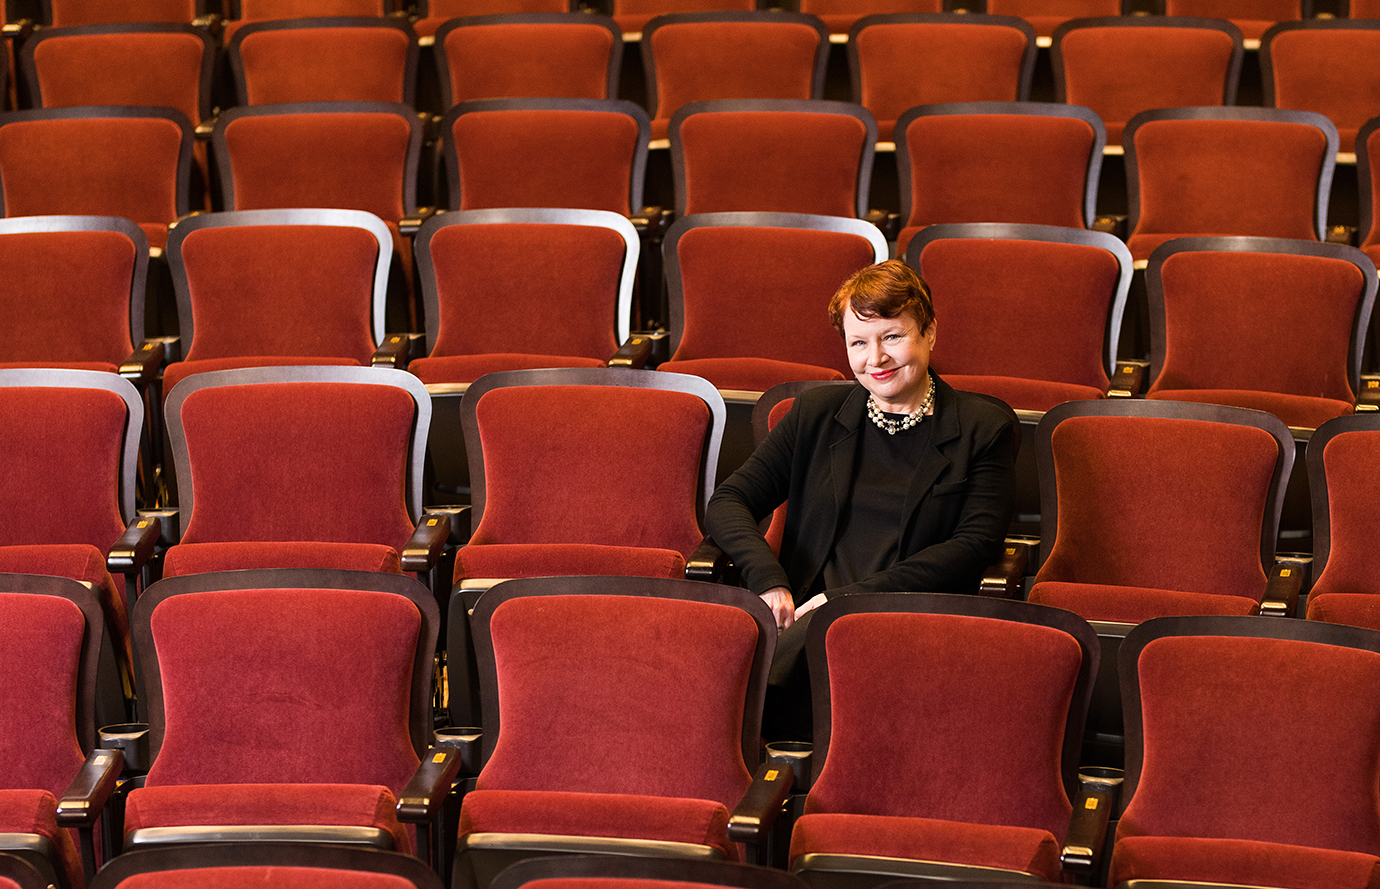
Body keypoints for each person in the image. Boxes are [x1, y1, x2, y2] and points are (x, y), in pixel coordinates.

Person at [705, 259, 1017, 739]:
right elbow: (728, 501)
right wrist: (770, 581)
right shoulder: (815, 414)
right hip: (804, 615)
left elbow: (973, 545)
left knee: (731, 688)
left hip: (905, 619)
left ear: (930, 333)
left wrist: (840, 601)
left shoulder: (983, 427)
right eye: (858, 342)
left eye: (892, 337)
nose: (876, 358)